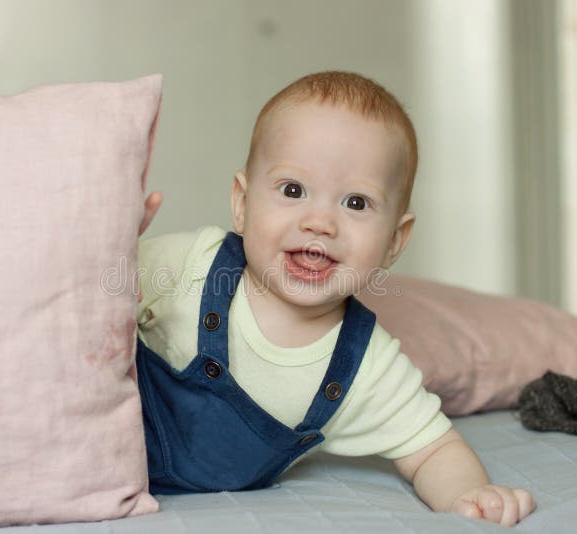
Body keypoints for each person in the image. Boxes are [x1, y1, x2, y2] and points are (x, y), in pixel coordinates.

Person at [135, 71, 535, 527]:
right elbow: (80, 302)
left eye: (357, 203)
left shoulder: (365, 364)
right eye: (293, 190)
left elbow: (434, 449)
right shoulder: (192, 263)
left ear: (394, 241)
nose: (320, 222)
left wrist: (470, 493)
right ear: (242, 204)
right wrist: (113, 246)